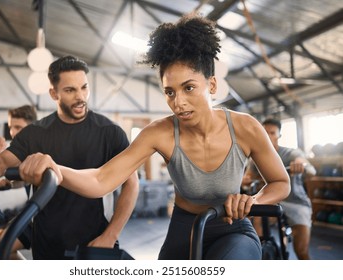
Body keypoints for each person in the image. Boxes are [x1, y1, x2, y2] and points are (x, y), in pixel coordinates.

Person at [17, 15, 290, 260]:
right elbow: (101, 180)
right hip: (184, 228)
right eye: (170, 92)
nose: (178, 102)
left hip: (232, 228)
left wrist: (252, 201)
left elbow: (280, 182)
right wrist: (56, 168)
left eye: (189, 88)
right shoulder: (159, 132)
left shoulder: (245, 128)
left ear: (213, 85)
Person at [0, 55, 139, 259]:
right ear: (54, 93)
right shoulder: (34, 134)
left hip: (93, 240)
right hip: (46, 243)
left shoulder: (109, 132)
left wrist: (110, 236)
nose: (80, 97)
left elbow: (131, 184)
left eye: (84, 88)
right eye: (70, 90)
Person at [243, 118, 316, 260]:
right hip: (271, 202)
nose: (269, 136)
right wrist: (245, 179)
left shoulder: (291, 153)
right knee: (257, 220)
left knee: (301, 251)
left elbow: (311, 170)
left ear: (279, 135)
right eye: (265, 132)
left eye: (272, 133)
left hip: (296, 203)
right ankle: (263, 252)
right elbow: (247, 178)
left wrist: (302, 165)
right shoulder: (255, 157)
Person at [0, 105, 37, 259]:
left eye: (18, 127)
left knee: (3, 248)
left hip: (45, 217)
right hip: (32, 214)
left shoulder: (39, 149)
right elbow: (25, 178)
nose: (13, 132)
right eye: (11, 127)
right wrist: (9, 183)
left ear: (32, 127)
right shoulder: (21, 151)